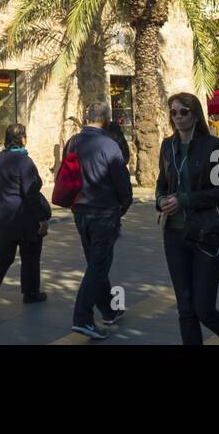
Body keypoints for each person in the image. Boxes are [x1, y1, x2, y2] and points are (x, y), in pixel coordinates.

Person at [155, 91, 219, 345]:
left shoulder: (212, 146)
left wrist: (184, 200)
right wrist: (161, 201)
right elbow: (161, 184)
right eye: (173, 112)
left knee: (204, 309)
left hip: (206, 233)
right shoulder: (167, 146)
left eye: (184, 112)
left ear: (195, 115)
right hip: (174, 234)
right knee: (185, 308)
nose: (178, 117)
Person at [66, 100, 133, 341]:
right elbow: (122, 182)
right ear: (106, 119)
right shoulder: (109, 144)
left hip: (80, 212)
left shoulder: (72, 142)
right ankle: (82, 318)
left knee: (96, 263)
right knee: (98, 266)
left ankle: (109, 309)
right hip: (104, 213)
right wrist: (124, 205)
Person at [0, 123, 52, 307]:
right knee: (30, 255)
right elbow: (31, 192)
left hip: (1, 215)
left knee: (2, 254)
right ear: (23, 139)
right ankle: (31, 292)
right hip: (24, 218)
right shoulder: (25, 162)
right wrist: (42, 218)